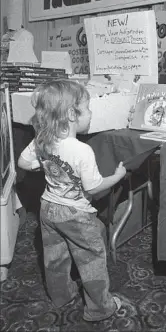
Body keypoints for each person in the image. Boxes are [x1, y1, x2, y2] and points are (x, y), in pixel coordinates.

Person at [17, 79, 126, 322]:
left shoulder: (42, 139)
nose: (90, 113)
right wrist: (116, 177)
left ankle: (61, 296)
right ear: (71, 114)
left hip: (48, 209)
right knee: (91, 260)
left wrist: (44, 165)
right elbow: (94, 187)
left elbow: (23, 163)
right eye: (87, 108)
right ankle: (100, 309)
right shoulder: (81, 150)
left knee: (55, 258)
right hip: (76, 214)